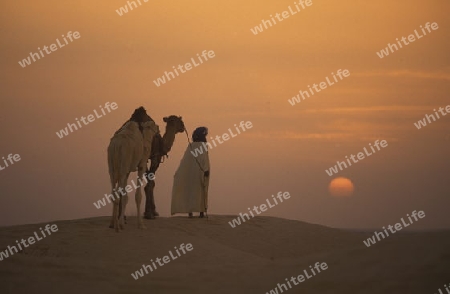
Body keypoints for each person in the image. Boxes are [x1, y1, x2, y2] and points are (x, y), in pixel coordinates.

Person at [171, 127, 210, 218]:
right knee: (200, 191)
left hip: (191, 174)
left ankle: (191, 212)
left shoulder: (191, 146)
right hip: (200, 173)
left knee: (191, 191)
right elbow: (204, 160)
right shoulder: (202, 145)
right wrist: (206, 170)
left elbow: (185, 161)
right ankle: (201, 212)